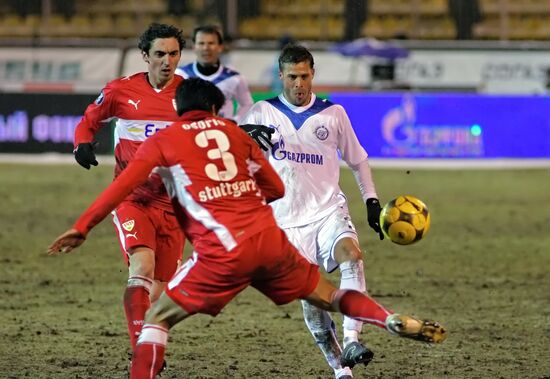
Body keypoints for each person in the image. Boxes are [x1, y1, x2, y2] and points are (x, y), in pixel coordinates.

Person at [48, 77, 447, 379]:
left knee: (156, 319)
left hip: (221, 252)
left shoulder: (165, 139)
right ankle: (388, 318)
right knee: (331, 295)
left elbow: (122, 186)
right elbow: (273, 188)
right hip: (269, 241)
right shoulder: (236, 135)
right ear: (216, 107)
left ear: (179, 106)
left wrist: (82, 226)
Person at [240, 44, 409, 378]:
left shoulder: (334, 114)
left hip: (329, 210)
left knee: (352, 255)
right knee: (312, 302)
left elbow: (358, 160)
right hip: (286, 223)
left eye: (304, 75)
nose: (299, 84)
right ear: (281, 76)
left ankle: (351, 338)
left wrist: (371, 201)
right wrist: (242, 138)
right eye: (292, 77)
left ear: (313, 73)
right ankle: (341, 370)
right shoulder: (261, 113)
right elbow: (237, 159)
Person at [72, 22, 186, 351]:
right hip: (132, 198)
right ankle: (142, 348)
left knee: (160, 288)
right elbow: (88, 120)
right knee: (143, 265)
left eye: (174, 54)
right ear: (144, 56)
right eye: (160, 54)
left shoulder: (189, 94)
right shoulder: (121, 91)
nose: (168, 60)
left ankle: (148, 337)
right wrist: (82, 143)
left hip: (175, 203)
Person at [175, 25, 253, 123]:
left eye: (211, 43)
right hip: (190, 132)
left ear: (220, 47)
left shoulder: (235, 78)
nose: (206, 48)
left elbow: (247, 105)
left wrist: (234, 121)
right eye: (201, 43)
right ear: (193, 47)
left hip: (223, 133)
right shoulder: (181, 74)